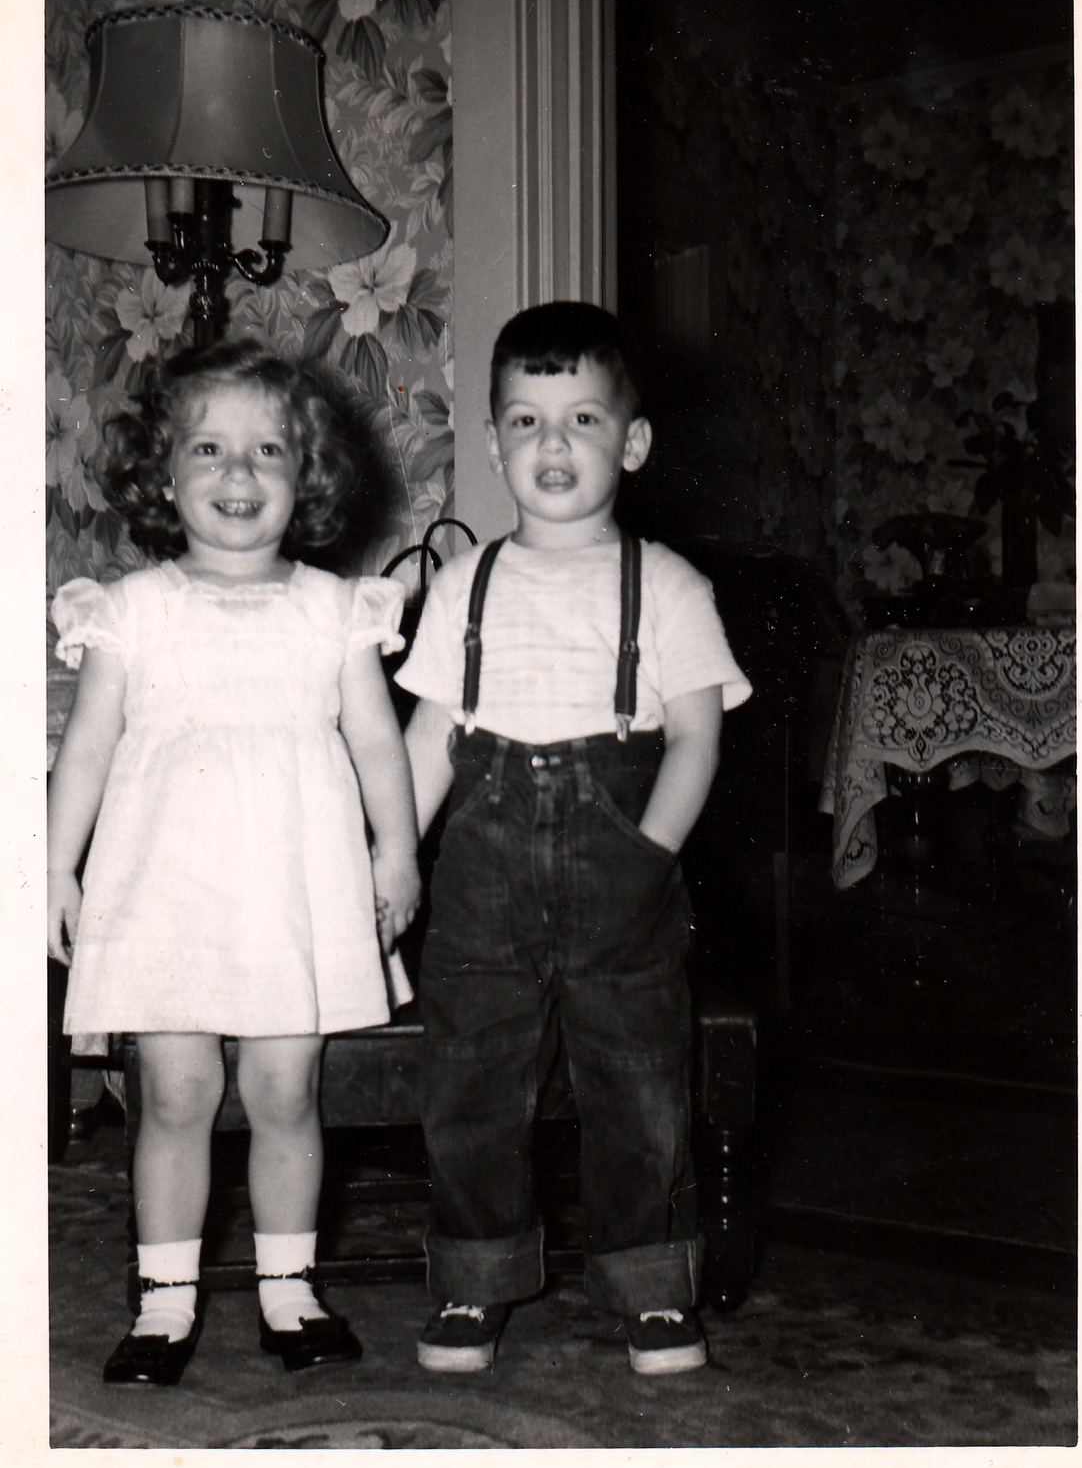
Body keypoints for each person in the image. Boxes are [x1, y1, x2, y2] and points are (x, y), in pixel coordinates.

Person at [46, 340, 421, 1387]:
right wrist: (54, 870)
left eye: (268, 450)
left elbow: (378, 743)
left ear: (307, 478)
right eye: (208, 448)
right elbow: (84, 752)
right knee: (171, 1092)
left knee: (286, 1089)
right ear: (161, 475)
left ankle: (289, 1287)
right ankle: (165, 1298)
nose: (239, 474)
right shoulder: (130, 610)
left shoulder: (333, 611)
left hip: (291, 892)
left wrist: (396, 848)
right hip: (166, 888)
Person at [396, 301, 751, 1376]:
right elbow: (427, 737)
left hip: (621, 864)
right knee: (471, 1084)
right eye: (528, 420)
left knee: (638, 1084)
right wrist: (391, 861)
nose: (555, 446)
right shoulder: (464, 584)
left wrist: (650, 853)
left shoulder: (670, 585)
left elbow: (694, 736)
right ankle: (473, 1282)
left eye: (584, 419)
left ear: (632, 443)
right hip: (482, 874)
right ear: (496, 441)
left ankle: (650, 1290)